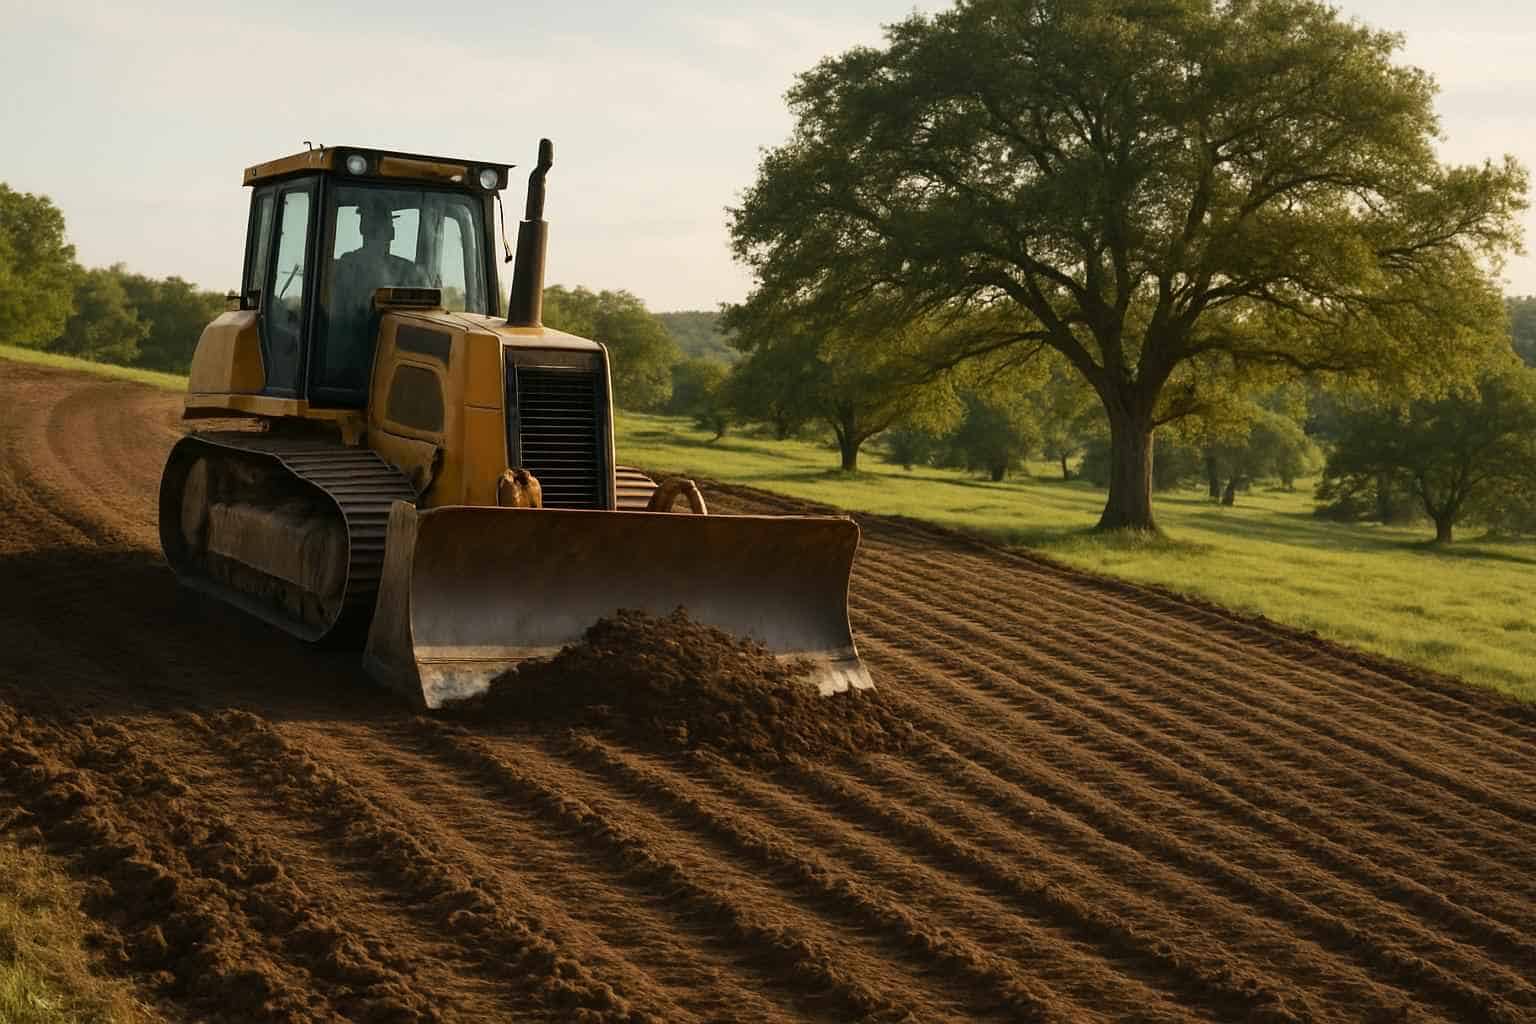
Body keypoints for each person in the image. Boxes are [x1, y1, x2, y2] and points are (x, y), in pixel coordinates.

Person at [324, 200, 428, 390]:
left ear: (362, 228)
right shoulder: (411, 272)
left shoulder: (346, 266)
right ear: (392, 232)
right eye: (385, 223)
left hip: (353, 365)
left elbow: (333, 317)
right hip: (370, 364)